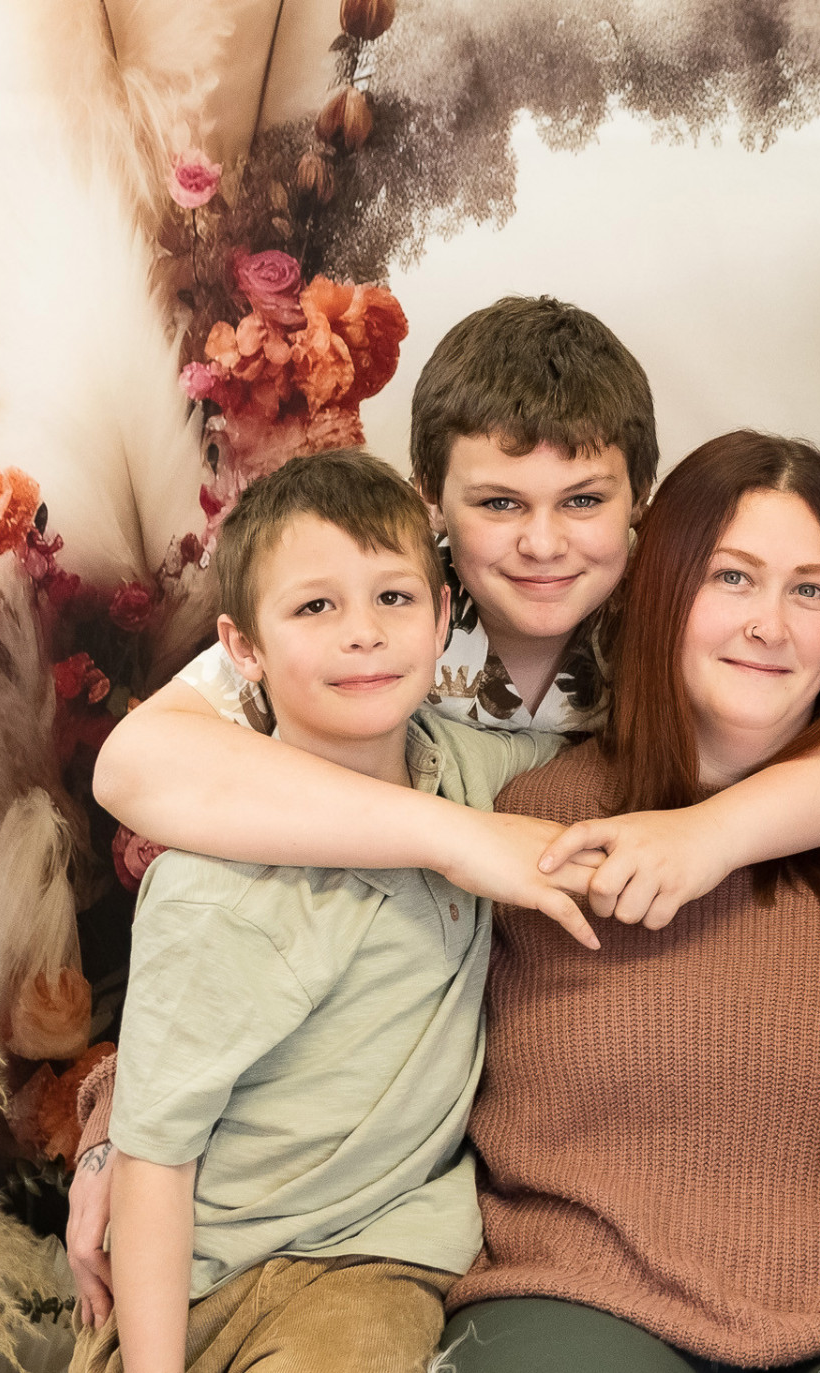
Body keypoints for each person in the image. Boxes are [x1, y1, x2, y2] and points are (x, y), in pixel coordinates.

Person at [73, 294, 820, 1321]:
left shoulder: (685, 617)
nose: (543, 544)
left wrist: (714, 834)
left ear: (644, 503)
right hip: (368, 1139)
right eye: (498, 503)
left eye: (585, 501)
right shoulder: (375, 619)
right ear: (431, 498)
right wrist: (468, 839)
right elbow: (140, 771)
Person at [438, 432, 820, 1371]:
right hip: (583, 1291)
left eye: (811, 591)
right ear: (660, 588)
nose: (770, 624)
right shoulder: (528, 820)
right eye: (733, 578)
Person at [71, 449, 582, 1373]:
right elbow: (155, 1161)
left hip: (368, 1259)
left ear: (442, 618)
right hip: (193, 1266)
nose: (364, 634)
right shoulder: (216, 893)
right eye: (315, 607)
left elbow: (624, 786)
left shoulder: (471, 773)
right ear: (243, 649)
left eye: (393, 597)